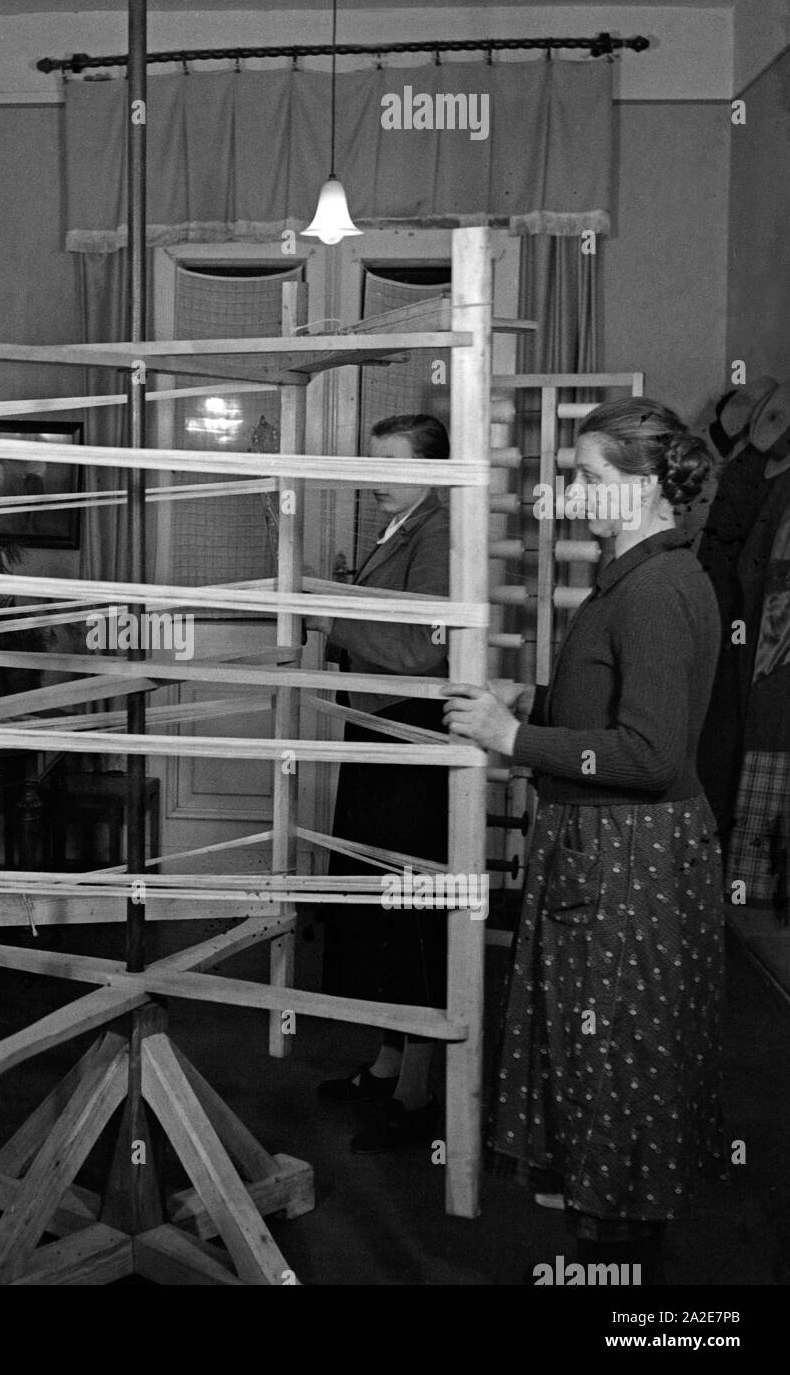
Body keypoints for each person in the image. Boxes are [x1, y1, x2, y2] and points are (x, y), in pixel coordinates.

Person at [443, 397, 725, 1280]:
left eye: (590, 478)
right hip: (613, 852)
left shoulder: (657, 589)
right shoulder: (639, 578)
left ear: (645, 487)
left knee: (618, 1071)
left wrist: (511, 739)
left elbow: (650, 754)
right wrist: (537, 708)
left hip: (629, 861)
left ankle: (630, 1290)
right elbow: (619, 718)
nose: (571, 491)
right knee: (608, 1065)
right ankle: (619, 1265)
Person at [306, 414, 451, 1152]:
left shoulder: (437, 533)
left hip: (411, 743)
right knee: (379, 912)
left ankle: (419, 1096)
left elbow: (419, 652)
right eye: (373, 461)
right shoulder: (400, 528)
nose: (374, 476)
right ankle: (388, 1064)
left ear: (431, 470)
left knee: (411, 914)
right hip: (379, 735)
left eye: (389, 463)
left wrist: (329, 608)